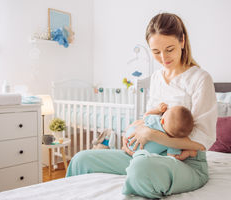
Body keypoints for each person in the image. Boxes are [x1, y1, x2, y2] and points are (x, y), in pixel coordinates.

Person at [66, 13, 217, 199]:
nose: (163, 57)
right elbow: (150, 118)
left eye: (169, 49)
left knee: (142, 168)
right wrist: (134, 131)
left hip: (185, 162)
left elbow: (202, 141)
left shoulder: (200, 79)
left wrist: (152, 134)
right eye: (156, 52)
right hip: (146, 152)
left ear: (182, 41)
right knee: (81, 160)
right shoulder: (156, 78)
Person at [126, 103, 195, 158]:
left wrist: (158, 110)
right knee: (165, 155)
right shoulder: (174, 143)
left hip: (129, 139)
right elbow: (172, 156)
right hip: (141, 155)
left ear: (162, 120)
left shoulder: (155, 120)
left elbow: (146, 116)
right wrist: (188, 153)